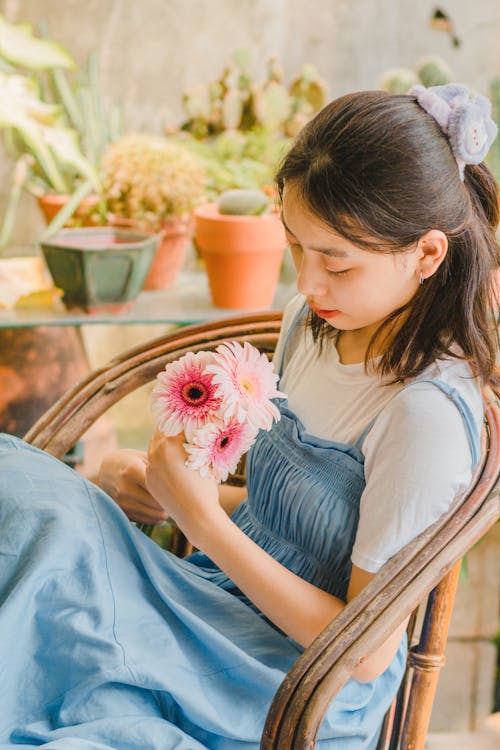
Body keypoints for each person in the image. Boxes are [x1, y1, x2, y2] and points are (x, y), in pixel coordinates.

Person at [0, 84, 498, 750]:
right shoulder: (312, 326)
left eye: (337, 262)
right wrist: (167, 494)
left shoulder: (424, 414)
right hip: (212, 607)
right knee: (26, 493)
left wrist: (201, 520)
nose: (308, 283)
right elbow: (292, 526)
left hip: (285, 685)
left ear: (428, 254)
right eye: (296, 245)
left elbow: (364, 653)